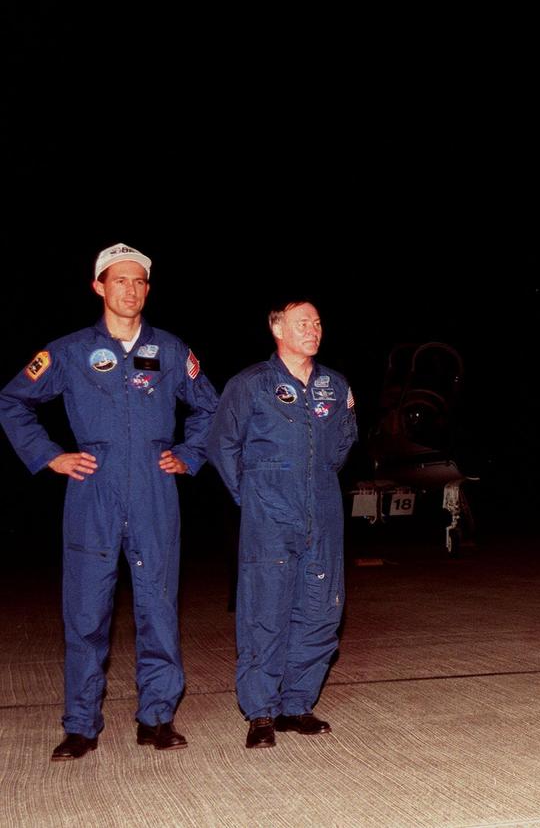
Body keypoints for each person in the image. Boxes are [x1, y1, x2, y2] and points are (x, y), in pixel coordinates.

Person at [0, 243, 219, 761]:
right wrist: (50, 456)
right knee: (85, 611)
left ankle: (158, 718)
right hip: (92, 487)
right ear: (98, 286)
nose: (131, 290)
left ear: (148, 289)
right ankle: (80, 725)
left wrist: (187, 454)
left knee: (158, 606)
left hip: (153, 487)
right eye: (119, 281)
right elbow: (14, 401)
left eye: (139, 281)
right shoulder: (70, 351)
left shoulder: (170, 350)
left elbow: (210, 406)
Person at [208, 301, 356, 748]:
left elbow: (345, 439)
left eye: (316, 322)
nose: (312, 329)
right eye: (301, 323)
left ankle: (297, 705)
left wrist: (318, 484)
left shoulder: (335, 384)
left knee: (320, 610)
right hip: (269, 516)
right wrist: (254, 497)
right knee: (264, 613)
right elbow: (222, 445)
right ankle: (261, 713)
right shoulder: (251, 384)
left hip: (324, 512)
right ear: (277, 329)